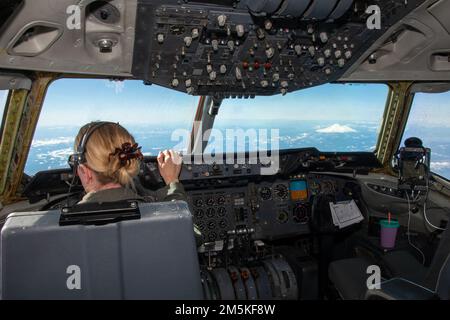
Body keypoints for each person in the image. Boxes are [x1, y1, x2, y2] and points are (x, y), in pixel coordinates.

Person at [69, 121, 187, 204]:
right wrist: (172, 182)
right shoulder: (157, 215)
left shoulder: (61, 230)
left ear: (85, 172)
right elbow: (186, 234)